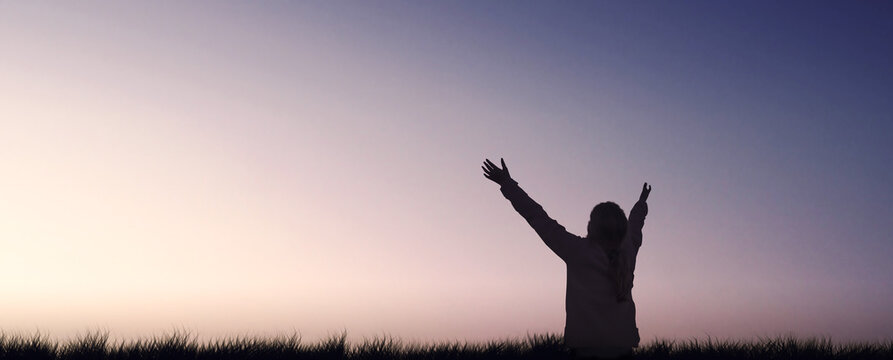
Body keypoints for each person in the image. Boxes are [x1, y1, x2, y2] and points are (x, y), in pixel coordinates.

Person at [482, 158, 651, 360]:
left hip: (585, 350)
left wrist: (507, 184)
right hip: (623, 349)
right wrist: (642, 203)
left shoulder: (576, 250)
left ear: (592, 226)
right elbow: (635, 224)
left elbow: (538, 217)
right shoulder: (629, 251)